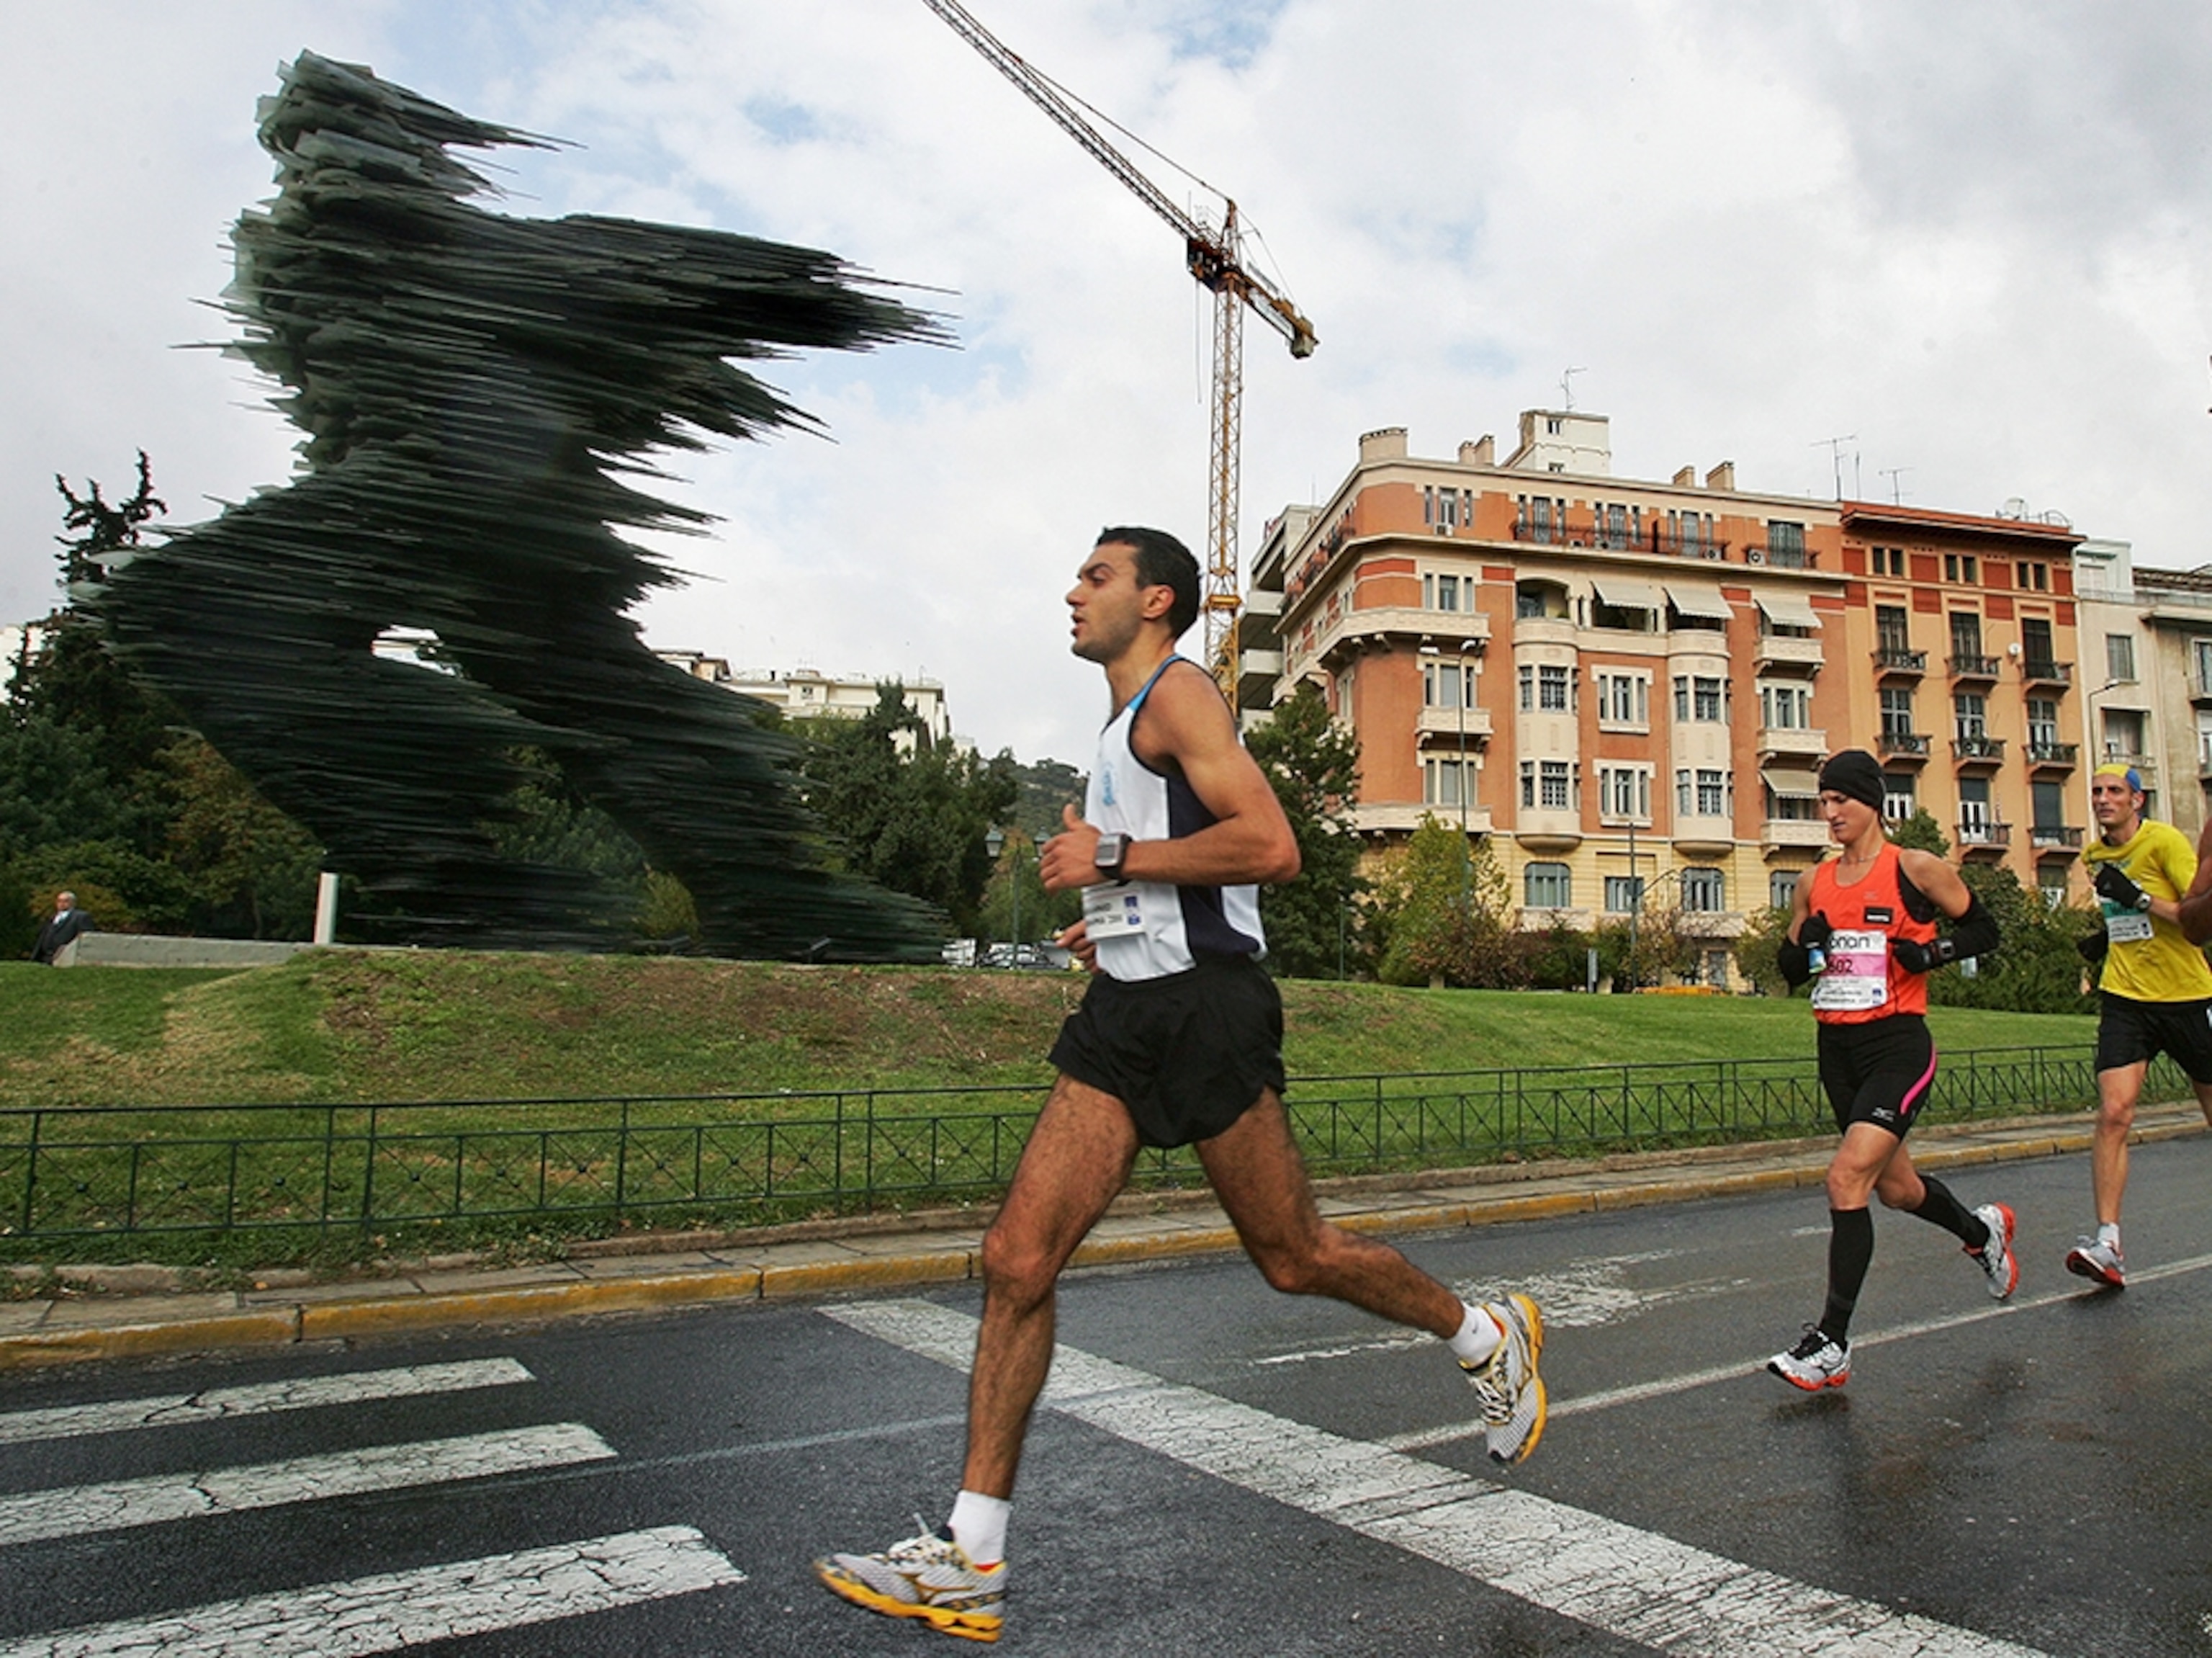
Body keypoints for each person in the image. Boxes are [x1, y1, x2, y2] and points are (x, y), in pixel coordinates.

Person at [816, 528, 1546, 1642]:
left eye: (1096, 575)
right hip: (1128, 1012)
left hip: (1209, 1011)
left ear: (1157, 598)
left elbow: (1271, 844)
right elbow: (1165, 865)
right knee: (1017, 1257)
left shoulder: (1180, 693)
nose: (1073, 590)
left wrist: (1116, 860)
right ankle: (971, 1555)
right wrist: (1108, 915)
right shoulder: (1118, 729)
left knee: (1294, 1257)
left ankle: (1484, 1335)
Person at [1766, 749, 2014, 1391]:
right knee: (1897, 1189)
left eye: (1839, 800)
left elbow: (1985, 930)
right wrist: (1808, 943)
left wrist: (1929, 952)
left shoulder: (1914, 867)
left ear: (1870, 801)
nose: (1829, 813)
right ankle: (1980, 1231)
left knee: (1846, 1178)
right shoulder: (1812, 882)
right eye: (1822, 802)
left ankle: (1832, 1343)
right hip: (1837, 1051)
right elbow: (1792, 973)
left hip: (1898, 1047)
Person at [2063, 764, 2212, 1289]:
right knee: (2113, 1113)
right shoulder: (2093, 854)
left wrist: (2139, 898)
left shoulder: (2165, 843)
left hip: (2189, 997)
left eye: (2114, 792)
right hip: (2125, 998)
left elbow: (2198, 920)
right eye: (2097, 792)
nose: (2103, 800)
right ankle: (2108, 1242)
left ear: (2137, 800)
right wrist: (2108, 937)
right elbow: (2127, 919)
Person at [31, 891, 94, 964]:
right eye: (59, 901)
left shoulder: (80, 917)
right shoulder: (52, 917)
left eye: (66, 901)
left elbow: (86, 936)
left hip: (66, 956)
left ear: (73, 903)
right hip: (46, 957)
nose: (61, 904)